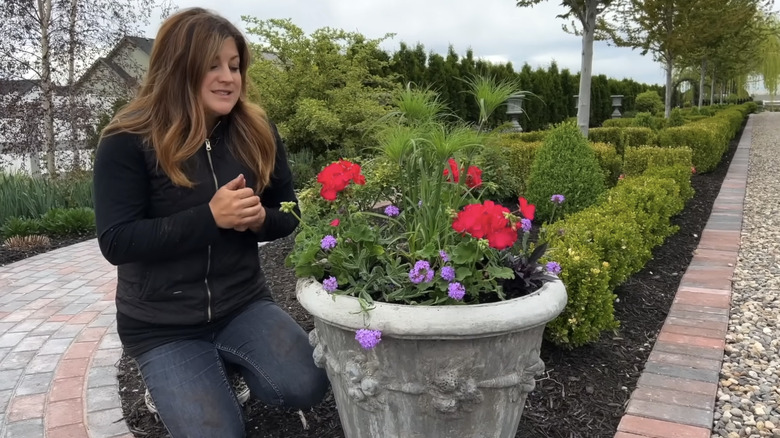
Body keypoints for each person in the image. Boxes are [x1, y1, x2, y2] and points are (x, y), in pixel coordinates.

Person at [92, 7, 329, 437]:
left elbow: (289, 212)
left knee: (307, 383)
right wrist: (210, 218)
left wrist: (260, 220)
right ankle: (174, 378)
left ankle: (224, 362)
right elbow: (117, 241)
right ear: (178, 68)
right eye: (212, 66)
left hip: (242, 303)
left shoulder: (256, 130)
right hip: (161, 324)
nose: (228, 77)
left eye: (235, 66)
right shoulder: (127, 139)